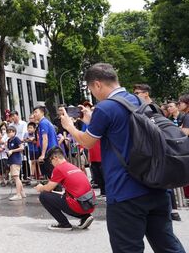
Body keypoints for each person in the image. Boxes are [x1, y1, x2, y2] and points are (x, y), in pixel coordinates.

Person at [60, 63, 185, 252]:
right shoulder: (140, 101)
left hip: (126, 192)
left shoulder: (105, 108)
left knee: (127, 248)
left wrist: (69, 126)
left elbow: (87, 142)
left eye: (92, 90)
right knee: (168, 246)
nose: (94, 94)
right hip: (157, 186)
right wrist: (91, 121)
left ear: (97, 85)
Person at [36, 147, 95, 231]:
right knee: (64, 195)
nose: (51, 163)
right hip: (89, 204)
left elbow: (48, 189)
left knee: (44, 196)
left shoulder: (59, 168)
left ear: (55, 158)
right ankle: (85, 216)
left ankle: (64, 224)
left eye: (50, 160)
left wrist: (40, 187)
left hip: (79, 205)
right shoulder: (72, 166)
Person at [33, 105, 58, 178]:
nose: (34, 114)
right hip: (53, 150)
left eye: (36, 112)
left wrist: (43, 154)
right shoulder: (46, 122)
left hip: (50, 150)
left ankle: (55, 188)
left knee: (51, 173)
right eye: (33, 112)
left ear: (42, 113)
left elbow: (45, 139)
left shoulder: (43, 123)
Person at [6, 126, 25, 201]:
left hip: (16, 160)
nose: (10, 133)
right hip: (11, 160)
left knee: (16, 177)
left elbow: (22, 147)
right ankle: (22, 192)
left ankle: (18, 194)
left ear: (14, 132)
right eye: (9, 132)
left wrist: (12, 151)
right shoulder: (8, 140)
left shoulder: (16, 139)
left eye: (12, 131)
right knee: (16, 177)